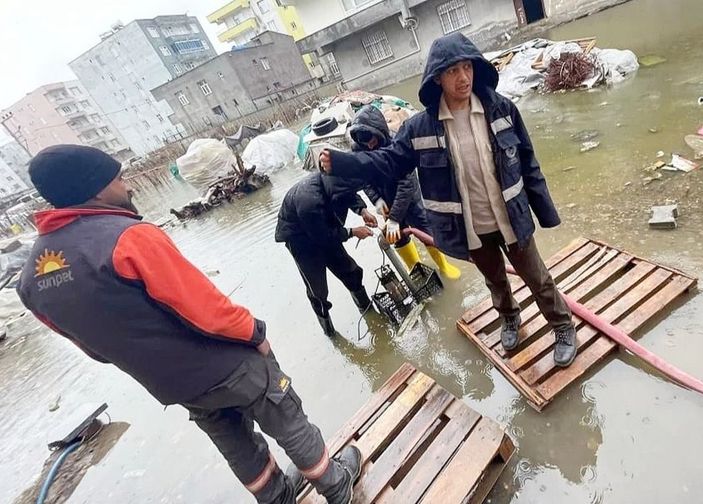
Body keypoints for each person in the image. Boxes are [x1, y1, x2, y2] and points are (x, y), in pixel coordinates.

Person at [17, 145, 362, 504]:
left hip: (173, 385)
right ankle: (337, 486)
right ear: (95, 188)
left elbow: (94, 351)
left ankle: (278, 497)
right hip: (226, 363)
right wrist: (255, 332)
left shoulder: (29, 281)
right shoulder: (128, 238)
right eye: (119, 179)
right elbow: (203, 306)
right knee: (285, 414)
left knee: (234, 441)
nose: (128, 186)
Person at [320, 33, 577, 367]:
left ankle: (562, 327)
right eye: (453, 71)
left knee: (537, 277)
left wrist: (545, 212)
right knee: (495, 279)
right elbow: (388, 162)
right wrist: (343, 162)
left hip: (511, 218)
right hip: (471, 226)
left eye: (467, 67)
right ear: (437, 78)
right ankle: (510, 318)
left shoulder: (501, 109)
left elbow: (528, 162)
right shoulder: (419, 128)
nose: (463, 77)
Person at [348, 105, 461, 280]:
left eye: (372, 140)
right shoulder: (359, 150)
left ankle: (443, 265)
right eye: (365, 142)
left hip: (410, 199)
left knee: (426, 230)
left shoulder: (398, 144)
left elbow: (406, 185)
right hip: (385, 199)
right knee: (397, 237)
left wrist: (394, 217)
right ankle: (416, 270)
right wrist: (378, 201)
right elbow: (365, 180)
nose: (370, 145)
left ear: (380, 132)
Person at [274, 169, 377, 337]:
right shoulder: (309, 201)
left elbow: (349, 194)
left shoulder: (337, 178)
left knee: (352, 271)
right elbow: (322, 236)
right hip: (301, 240)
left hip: (324, 229)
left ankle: (369, 312)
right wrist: (352, 232)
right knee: (318, 290)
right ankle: (330, 332)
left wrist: (363, 211)